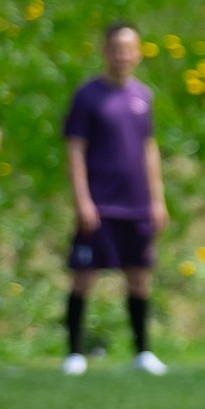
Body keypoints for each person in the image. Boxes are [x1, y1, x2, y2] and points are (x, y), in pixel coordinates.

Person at [62, 23, 170, 376]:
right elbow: (75, 149)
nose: (123, 55)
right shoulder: (88, 96)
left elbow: (149, 148)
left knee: (139, 277)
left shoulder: (143, 96)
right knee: (85, 276)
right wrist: (83, 199)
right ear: (105, 51)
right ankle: (74, 353)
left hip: (136, 203)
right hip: (101, 203)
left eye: (129, 49)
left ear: (138, 53)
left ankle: (142, 351)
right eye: (116, 48)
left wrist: (157, 199)